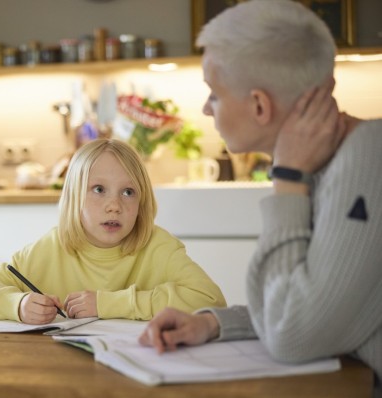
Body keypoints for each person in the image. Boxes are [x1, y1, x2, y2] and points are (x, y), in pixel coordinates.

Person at [138, 1, 382, 396]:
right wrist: (214, 324)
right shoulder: (340, 159)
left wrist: (287, 179)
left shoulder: (367, 159)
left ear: (259, 105)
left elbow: (293, 337)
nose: (205, 108)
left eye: (212, 94)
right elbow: (315, 305)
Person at [0, 138, 226, 324]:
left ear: (142, 201)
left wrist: (107, 304)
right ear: (74, 196)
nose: (114, 206)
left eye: (128, 192)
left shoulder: (158, 246)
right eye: (99, 190)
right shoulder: (51, 247)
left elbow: (211, 301)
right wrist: (17, 305)